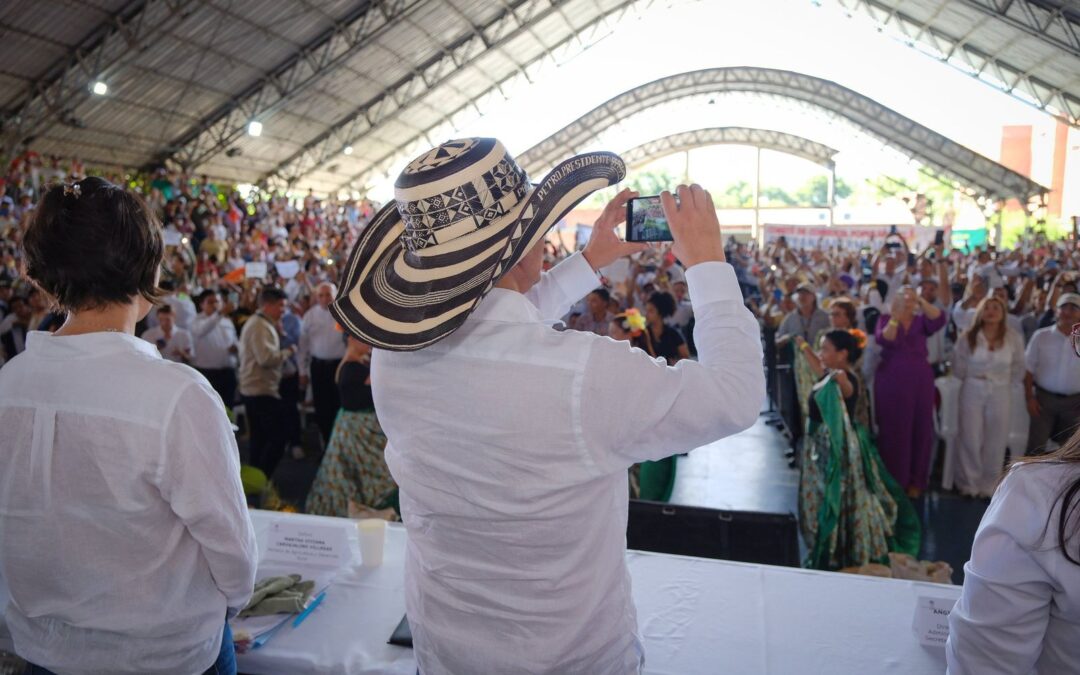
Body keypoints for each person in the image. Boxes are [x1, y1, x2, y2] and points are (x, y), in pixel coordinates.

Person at [328, 138, 763, 674]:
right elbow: (736, 396)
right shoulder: (583, 376)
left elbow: (495, 328)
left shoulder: (393, 361)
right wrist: (708, 264)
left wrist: (590, 263)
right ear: (523, 243)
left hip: (444, 656)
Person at [0, 177, 255, 675]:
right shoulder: (176, 394)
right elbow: (232, 550)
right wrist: (228, 607)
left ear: (49, 277)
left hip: (44, 650)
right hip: (166, 655)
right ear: (149, 266)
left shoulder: (10, 382)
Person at [946, 424, 1080, 674]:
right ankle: (969, 484)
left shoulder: (1038, 496)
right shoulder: (1040, 499)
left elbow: (980, 665)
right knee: (972, 439)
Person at [795, 329, 919, 570]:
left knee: (837, 496)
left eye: (826, 349)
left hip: (835, 449)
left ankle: (837, 548)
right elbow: (818, 368)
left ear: (842, 354)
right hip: (822, 447)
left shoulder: (845, 379)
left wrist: (836, 377)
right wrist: (803, 347)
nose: (821, 354)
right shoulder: (831, 374)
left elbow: (842, 386)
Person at [305, 335, 397, 518]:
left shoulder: (350, 365)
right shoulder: (353, 368)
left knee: (351, 472)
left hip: (352, 428)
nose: (369, 342)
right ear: (351, 340)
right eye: (363, 339)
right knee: (362, 473)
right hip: (357, 431)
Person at [874, 286, 947, 497]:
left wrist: (921, 301)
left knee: (921, 428)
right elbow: (884, 339)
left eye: (909, 299)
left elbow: (939, 318)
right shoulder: (886, 318)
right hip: (892, 379)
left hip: (919, 380)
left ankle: (916, 480)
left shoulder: (921, 320)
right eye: (901, 299)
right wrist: (896, 317)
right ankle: (895, 479)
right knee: (894, 428)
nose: (906, 302)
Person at [951, 296, 1026, 497]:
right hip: (973, 386)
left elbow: (1019, 366)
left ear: (1003, 313)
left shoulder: (1013, 337)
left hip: (1001, 390)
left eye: (996, 308)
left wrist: (1005, 381)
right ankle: (968, 484)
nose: (991, 311)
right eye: (987, 308)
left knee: (997, 437)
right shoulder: (968, 337)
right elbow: (958, 367)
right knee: (970, 436)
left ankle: (989, 486)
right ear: (980, 312)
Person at [239, 286, 295, 476]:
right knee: (278, 437)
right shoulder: (259, 326)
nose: (283, 311)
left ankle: (256, 481)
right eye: (280, 306)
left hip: (256, 388)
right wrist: (288, 352)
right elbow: (265, 359)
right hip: (259, 390)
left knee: (260, 439)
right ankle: (263, 477)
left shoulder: (263, 323)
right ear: (268, 305)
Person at [1024, 293, 1080, 455]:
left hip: (1075, 404)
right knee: (1036, 449)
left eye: (1074, 308)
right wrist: (1029, 397)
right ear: (1056, 311)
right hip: (1043, 402)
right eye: (1064, 307)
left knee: (1070, 453)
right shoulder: (1041, 336)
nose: (1068, 312)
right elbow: (1028, 369)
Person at [299, 282, 347, 445]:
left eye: (328, 294)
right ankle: (326, 445)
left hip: (339, 366)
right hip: (318, 367)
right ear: (316, 297)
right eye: (321, 295)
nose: (325, 298)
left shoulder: (343, 313)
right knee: (322, 408)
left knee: (339, 406)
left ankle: (340, 445)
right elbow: (302, 348)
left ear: (335, 295)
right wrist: (302, 372)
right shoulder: (310, 316)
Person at [191, 289, 239, 409]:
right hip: (207, 373)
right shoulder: (196, 321)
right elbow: (202, 330)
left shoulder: (227, 321)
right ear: (202, 305)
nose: (215, 305)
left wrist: (236, 347)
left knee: (228, 409)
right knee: (208, 409)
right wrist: (220, 313)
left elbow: (235, 341)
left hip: (227, 372)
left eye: (217, 301)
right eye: (210, 302)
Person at [639, 291, 690, 365]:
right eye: (646, 310)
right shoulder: (642, 333)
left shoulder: (674, 333)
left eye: (651, 311)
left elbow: (686, 358)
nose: (646, 314)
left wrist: (676, 365)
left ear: (660, 312)